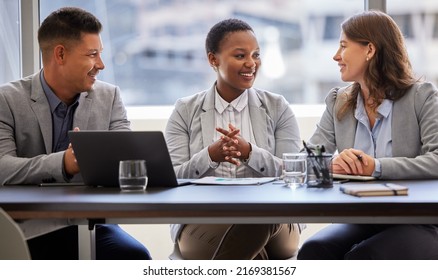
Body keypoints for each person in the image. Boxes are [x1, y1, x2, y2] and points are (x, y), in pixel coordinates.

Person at [0, 7, 151, 260]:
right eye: (92, 55)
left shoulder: (109, 96)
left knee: (136, 258)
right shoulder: (7, 99)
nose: (101, 65)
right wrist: (63, 163)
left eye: (100, 54)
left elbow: (127, 157)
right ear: (60, 54)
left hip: (92, 224)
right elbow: (2, 166)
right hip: (25, 228)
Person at [297, 10, 438, 260]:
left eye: (343, 46)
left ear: (369, 50)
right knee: (313, 251)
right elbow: (305, 160)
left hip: (419, 220)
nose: (336, 56)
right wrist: (329, 165)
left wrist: (375, 167)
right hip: (362, 218)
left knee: (361, 259)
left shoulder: (422, 97)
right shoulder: (338, 101)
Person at [165, 18, 303, 260]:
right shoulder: (184, 111)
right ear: (213, 59)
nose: (251, 63)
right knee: (254, 253)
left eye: (256, 55)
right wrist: (209, 157)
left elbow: (294, 175)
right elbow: (171, 179)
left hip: (277, 222)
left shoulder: (278, 107)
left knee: (260, 218)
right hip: (203, 219)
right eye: (240, 56)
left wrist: (250, 153)